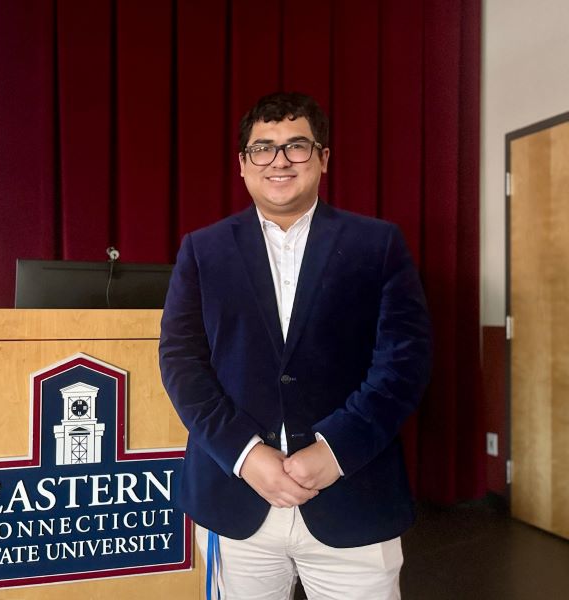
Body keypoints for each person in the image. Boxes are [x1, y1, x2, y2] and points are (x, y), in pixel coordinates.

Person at [159, 92, 432, 599]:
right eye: (262, 148)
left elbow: (403, 362)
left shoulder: (378, 244)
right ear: (243, 164)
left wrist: (335, 451)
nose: (279, 160)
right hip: (235, 497)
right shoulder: (202, 250)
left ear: (323, 158)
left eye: (297, 146)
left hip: (353, 493)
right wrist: (245, 454)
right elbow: (181, 363)